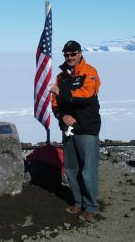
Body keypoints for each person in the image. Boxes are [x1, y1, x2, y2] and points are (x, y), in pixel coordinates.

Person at [50, 40, 101, 223]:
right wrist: (61, 116)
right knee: (71, 169)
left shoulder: (90, 72)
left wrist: (61, 93)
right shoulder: (61, 77)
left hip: (87, 128)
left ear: (80, 53)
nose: (69, 57)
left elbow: (86, 96)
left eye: (73, 53)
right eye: (66, 54)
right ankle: (78, 201)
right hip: (68, 128)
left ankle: (91, 207)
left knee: (88, 170)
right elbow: (55, 103)